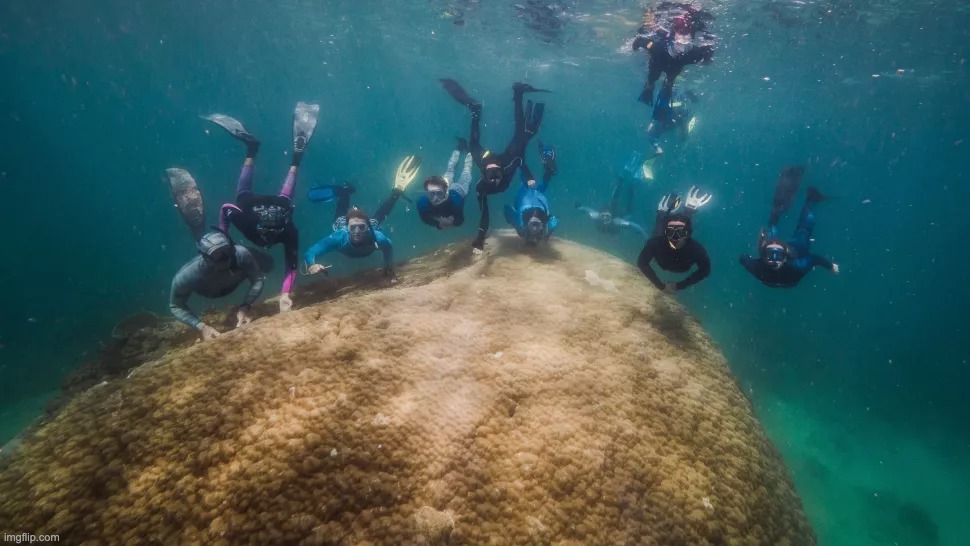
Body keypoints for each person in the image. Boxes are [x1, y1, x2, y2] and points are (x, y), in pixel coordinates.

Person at [202, 103, 319, 314]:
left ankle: (272, 154)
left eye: (275, 233)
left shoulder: (288, 230)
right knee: (246, 196)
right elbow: (226, 207)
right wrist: (224, 235)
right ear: (259, 227)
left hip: (278, 207)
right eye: (268, 233)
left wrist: (285, 295)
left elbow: (291, 268)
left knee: (279, 196)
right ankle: (272, 153)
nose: (271, 238)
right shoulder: (251, 222)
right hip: (255, 208)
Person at [439, 78, 549, 252]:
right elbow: (485, 214)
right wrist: (480, 239)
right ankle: (493, 103)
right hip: (486, 159)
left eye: (496, 176)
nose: (495, 181)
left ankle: (510, 96)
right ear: (484, 175)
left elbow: (519, 161)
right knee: (515, 139)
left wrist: (528, 176)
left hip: (500, 159)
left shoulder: (507, 164)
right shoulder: (481, 187)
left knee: (516, 137)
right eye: (491, 177)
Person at [303, 156, 421, 281]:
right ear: (347, 228)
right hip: (344, 225)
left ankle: (395, 192)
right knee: (342, 220)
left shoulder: (376, 236)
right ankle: (344, 191)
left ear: (367, 227)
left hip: (368, 228)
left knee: (377, 219)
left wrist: (388, 271)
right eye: (353, 228)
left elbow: (388, 248)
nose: (357, 231)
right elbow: (310, 253)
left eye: (361, 227)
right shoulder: (338, 237)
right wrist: (312, 265)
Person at [740, 167, 839, 287]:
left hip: (791, 254)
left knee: (773, 227)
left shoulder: (756, 267)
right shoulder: (799, 266)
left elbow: (743, 259)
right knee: (804, 232)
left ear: (785, 256)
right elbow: (814, 260)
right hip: (795, 255)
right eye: (771, 255)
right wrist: (830, 266)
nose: (774, 260)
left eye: (777, 255)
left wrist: (749, 256)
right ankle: (811, 198)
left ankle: (777, 211)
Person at [169, 229, 265, 340]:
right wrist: (202, 327)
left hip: (234, 277)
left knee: (267, 262)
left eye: (227, 251)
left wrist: (245, 307)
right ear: (205, 257)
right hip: (211, 290)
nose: (226, 258)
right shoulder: (187, 275)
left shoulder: (241, 254)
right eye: (217, 255)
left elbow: (258, 279)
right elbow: (176, 306)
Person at [632, 3, 716, 105]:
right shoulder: (658, 48)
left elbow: (704, 56)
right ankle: (651, 87)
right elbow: (641, 41)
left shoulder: (691, 53)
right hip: (658, 63)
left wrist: (707, 54)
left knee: (670, 78)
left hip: (671, 66)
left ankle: (665, 86)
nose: (680, 48)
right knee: (653, 77)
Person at [637, 186, 712, 292]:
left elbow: (705, 270)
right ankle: (675, 211)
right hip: (667, 256)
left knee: (659, 233)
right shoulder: (655, 243)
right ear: (666, 232)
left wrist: (678, 285)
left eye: (680, 232)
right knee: (658, 236)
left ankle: (667, 213)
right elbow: (641, 263)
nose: (675, 237)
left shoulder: (697, 250)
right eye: (671, 232)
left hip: (665, 259)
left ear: (688, 233)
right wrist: (663, 286)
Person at [576, 157, 649, 237]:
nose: (604, 219)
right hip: (615, 217)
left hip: (621, 216)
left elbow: (636, 226)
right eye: (603, 216)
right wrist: (580, 208)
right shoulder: (596, 216)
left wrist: (644, 234)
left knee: (628, 211)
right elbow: (587, 210)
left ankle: (626, 184)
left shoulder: (617, 221)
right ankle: (629, 184)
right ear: (600, 215)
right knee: (616, 202)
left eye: (606, 217)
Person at [641, 87, 698, 180]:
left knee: (682, 125)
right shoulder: (664, 114)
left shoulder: (679, 98)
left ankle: (682, 127)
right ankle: (659, 148)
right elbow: (652, 131)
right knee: (654, 132)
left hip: (673, 119)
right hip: (669, 120)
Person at [415, 139, 474, 230]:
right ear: (426, 193)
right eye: (431, 194)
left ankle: (469, 155)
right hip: (444, 184)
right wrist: (438, 224)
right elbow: (424, 217)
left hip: (458, 191)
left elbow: (459, 221)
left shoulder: (456, 202)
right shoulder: (422, 203)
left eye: (439, 193)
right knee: (450, 169)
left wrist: (447, 223)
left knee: (466, 172)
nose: (435, 198)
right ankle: (460, 146)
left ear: (446, 191)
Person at [504, 158, 559, 244]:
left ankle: (524, 166)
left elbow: (507, 208)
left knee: (533, 187)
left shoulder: (521, 224)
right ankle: (522, 165)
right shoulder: (520, 222)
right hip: (529, 198)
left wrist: (548, 234)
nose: (534, 229)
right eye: (534, 224)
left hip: (536, 199)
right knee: (526, 185)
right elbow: (507, 208)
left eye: (536, 224)